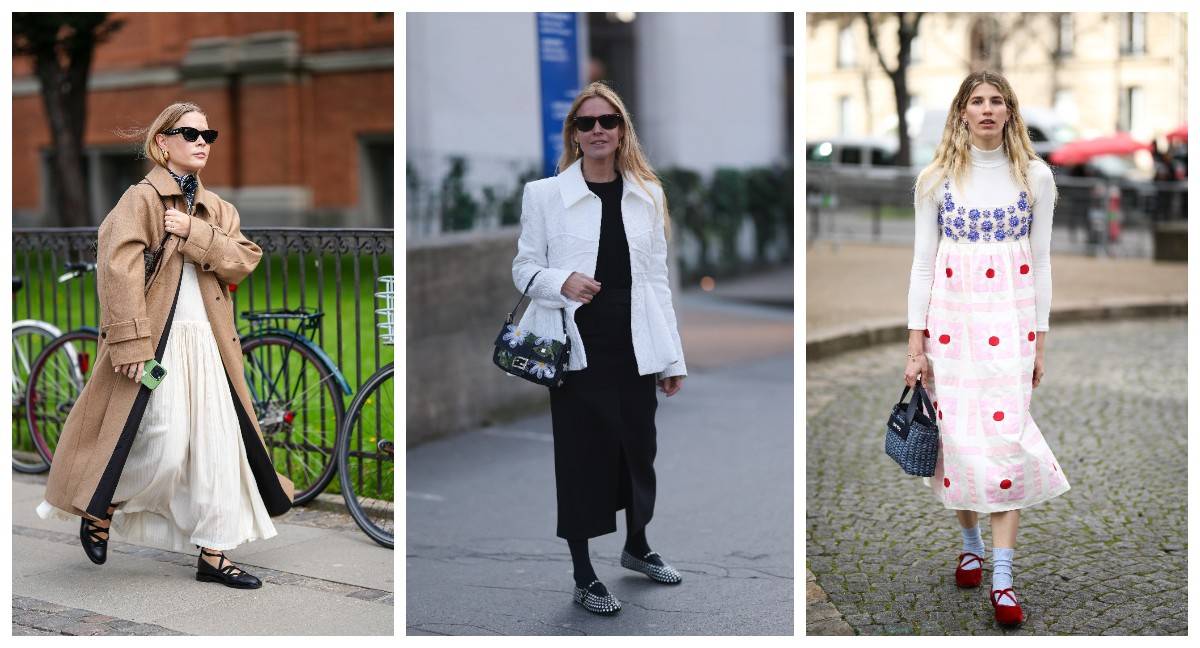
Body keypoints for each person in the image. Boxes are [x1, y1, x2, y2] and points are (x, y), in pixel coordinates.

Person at [36, 102, 294, 589]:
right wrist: (133, 346)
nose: (202, 141)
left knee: (220, 449)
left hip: (211, 345)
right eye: (190, 133)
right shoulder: (142, 200)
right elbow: (118, 273)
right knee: (166, 444)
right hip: (160, 345)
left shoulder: (218, 208)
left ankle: (214, 554)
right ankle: (103, 504)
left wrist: (194, 231)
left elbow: (242, 260)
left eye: (208, 134)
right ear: (162, 143)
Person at [511, 81, 687, 615]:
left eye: (607, 121)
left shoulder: (647, 194)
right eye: (585, 123)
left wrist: (671, 356)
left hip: (635, 339)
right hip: (576, 345)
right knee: (583, 457)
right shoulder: (544, 195)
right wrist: (560, 281)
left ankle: (637, 546)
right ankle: (584, 573)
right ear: (573, 133)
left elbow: (657, 281)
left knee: (639, 450)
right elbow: (523, 268)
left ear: (622, 129)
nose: (596, 131)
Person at [905, 71, 1070, 627]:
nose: (987, 109)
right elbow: (923, 263)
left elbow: (1042, 261)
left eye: (997, 101)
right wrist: (915, 343)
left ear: (1010, 112)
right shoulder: (936, 180)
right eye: (977, 101)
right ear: (961, 113)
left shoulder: (1035, 178)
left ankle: (1002, 575)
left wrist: (1040, 340)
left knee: (1004, 438)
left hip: (1013, 324)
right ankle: (971, 540)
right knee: (959, 439)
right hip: (951, 325)